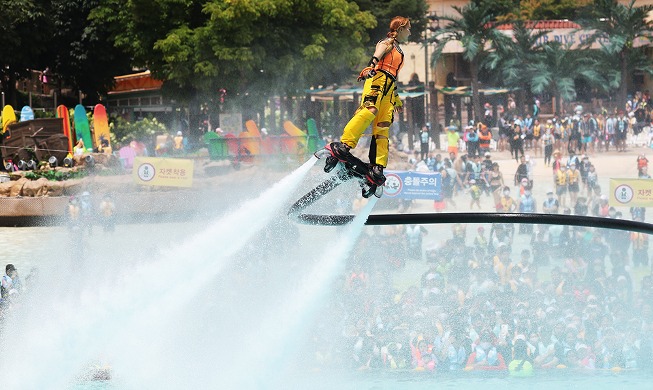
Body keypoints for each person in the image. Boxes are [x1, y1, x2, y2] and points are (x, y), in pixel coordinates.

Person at [324, 16, 411, 186]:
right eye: (408, 28)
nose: (410, 32)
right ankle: (345, 145)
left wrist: (397, 99)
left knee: (383, 127)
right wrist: (370, 68)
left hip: (389, 89)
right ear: (400, 29)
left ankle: (377, 166)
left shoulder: (400, 51)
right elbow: (376, 56)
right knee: (369, 110)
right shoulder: (387, 43)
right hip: (377, 81)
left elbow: (393, 77)